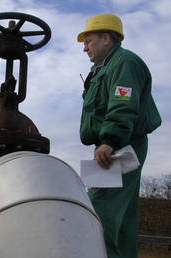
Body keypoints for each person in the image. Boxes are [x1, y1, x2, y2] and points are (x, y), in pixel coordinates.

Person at [78, 14, 161, 258]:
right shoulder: (100, 70)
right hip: (112, 144)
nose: (84, 48)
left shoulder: (125, 63)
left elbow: (122, 104)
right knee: (123, 219)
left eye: (88, 41)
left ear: (106, 38)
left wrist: (109, 142)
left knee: (100, 211)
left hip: (122, 145)